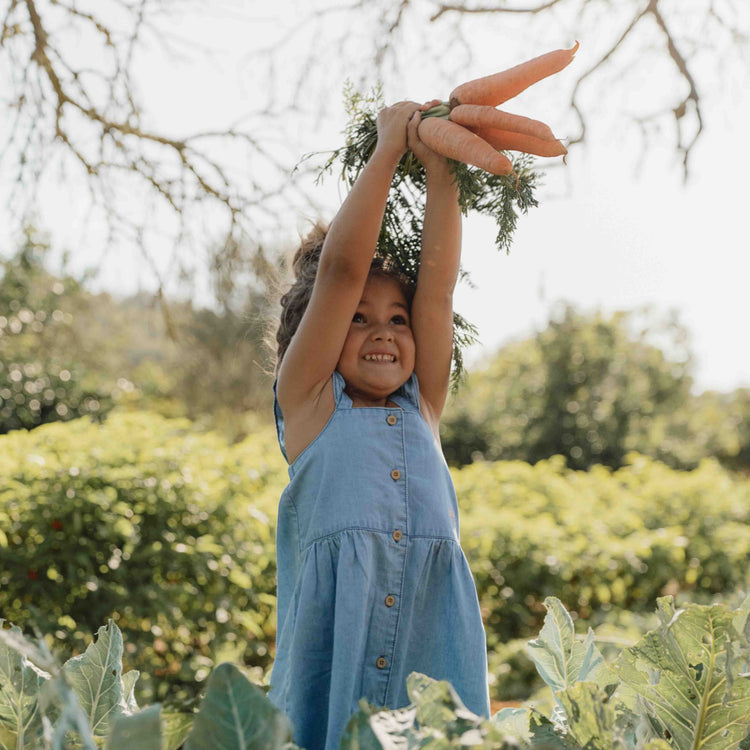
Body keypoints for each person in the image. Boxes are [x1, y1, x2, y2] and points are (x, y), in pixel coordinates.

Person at [269, 100, 490, 750]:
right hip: (334, 665)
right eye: (358, 319)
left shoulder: (422, 405)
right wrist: (387, 148)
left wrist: (442, 168)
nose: (384, 333)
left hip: (431, 660)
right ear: (319, 332)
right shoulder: (308, 404)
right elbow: (340, 271)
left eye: (397, 319)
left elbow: (439, 290)